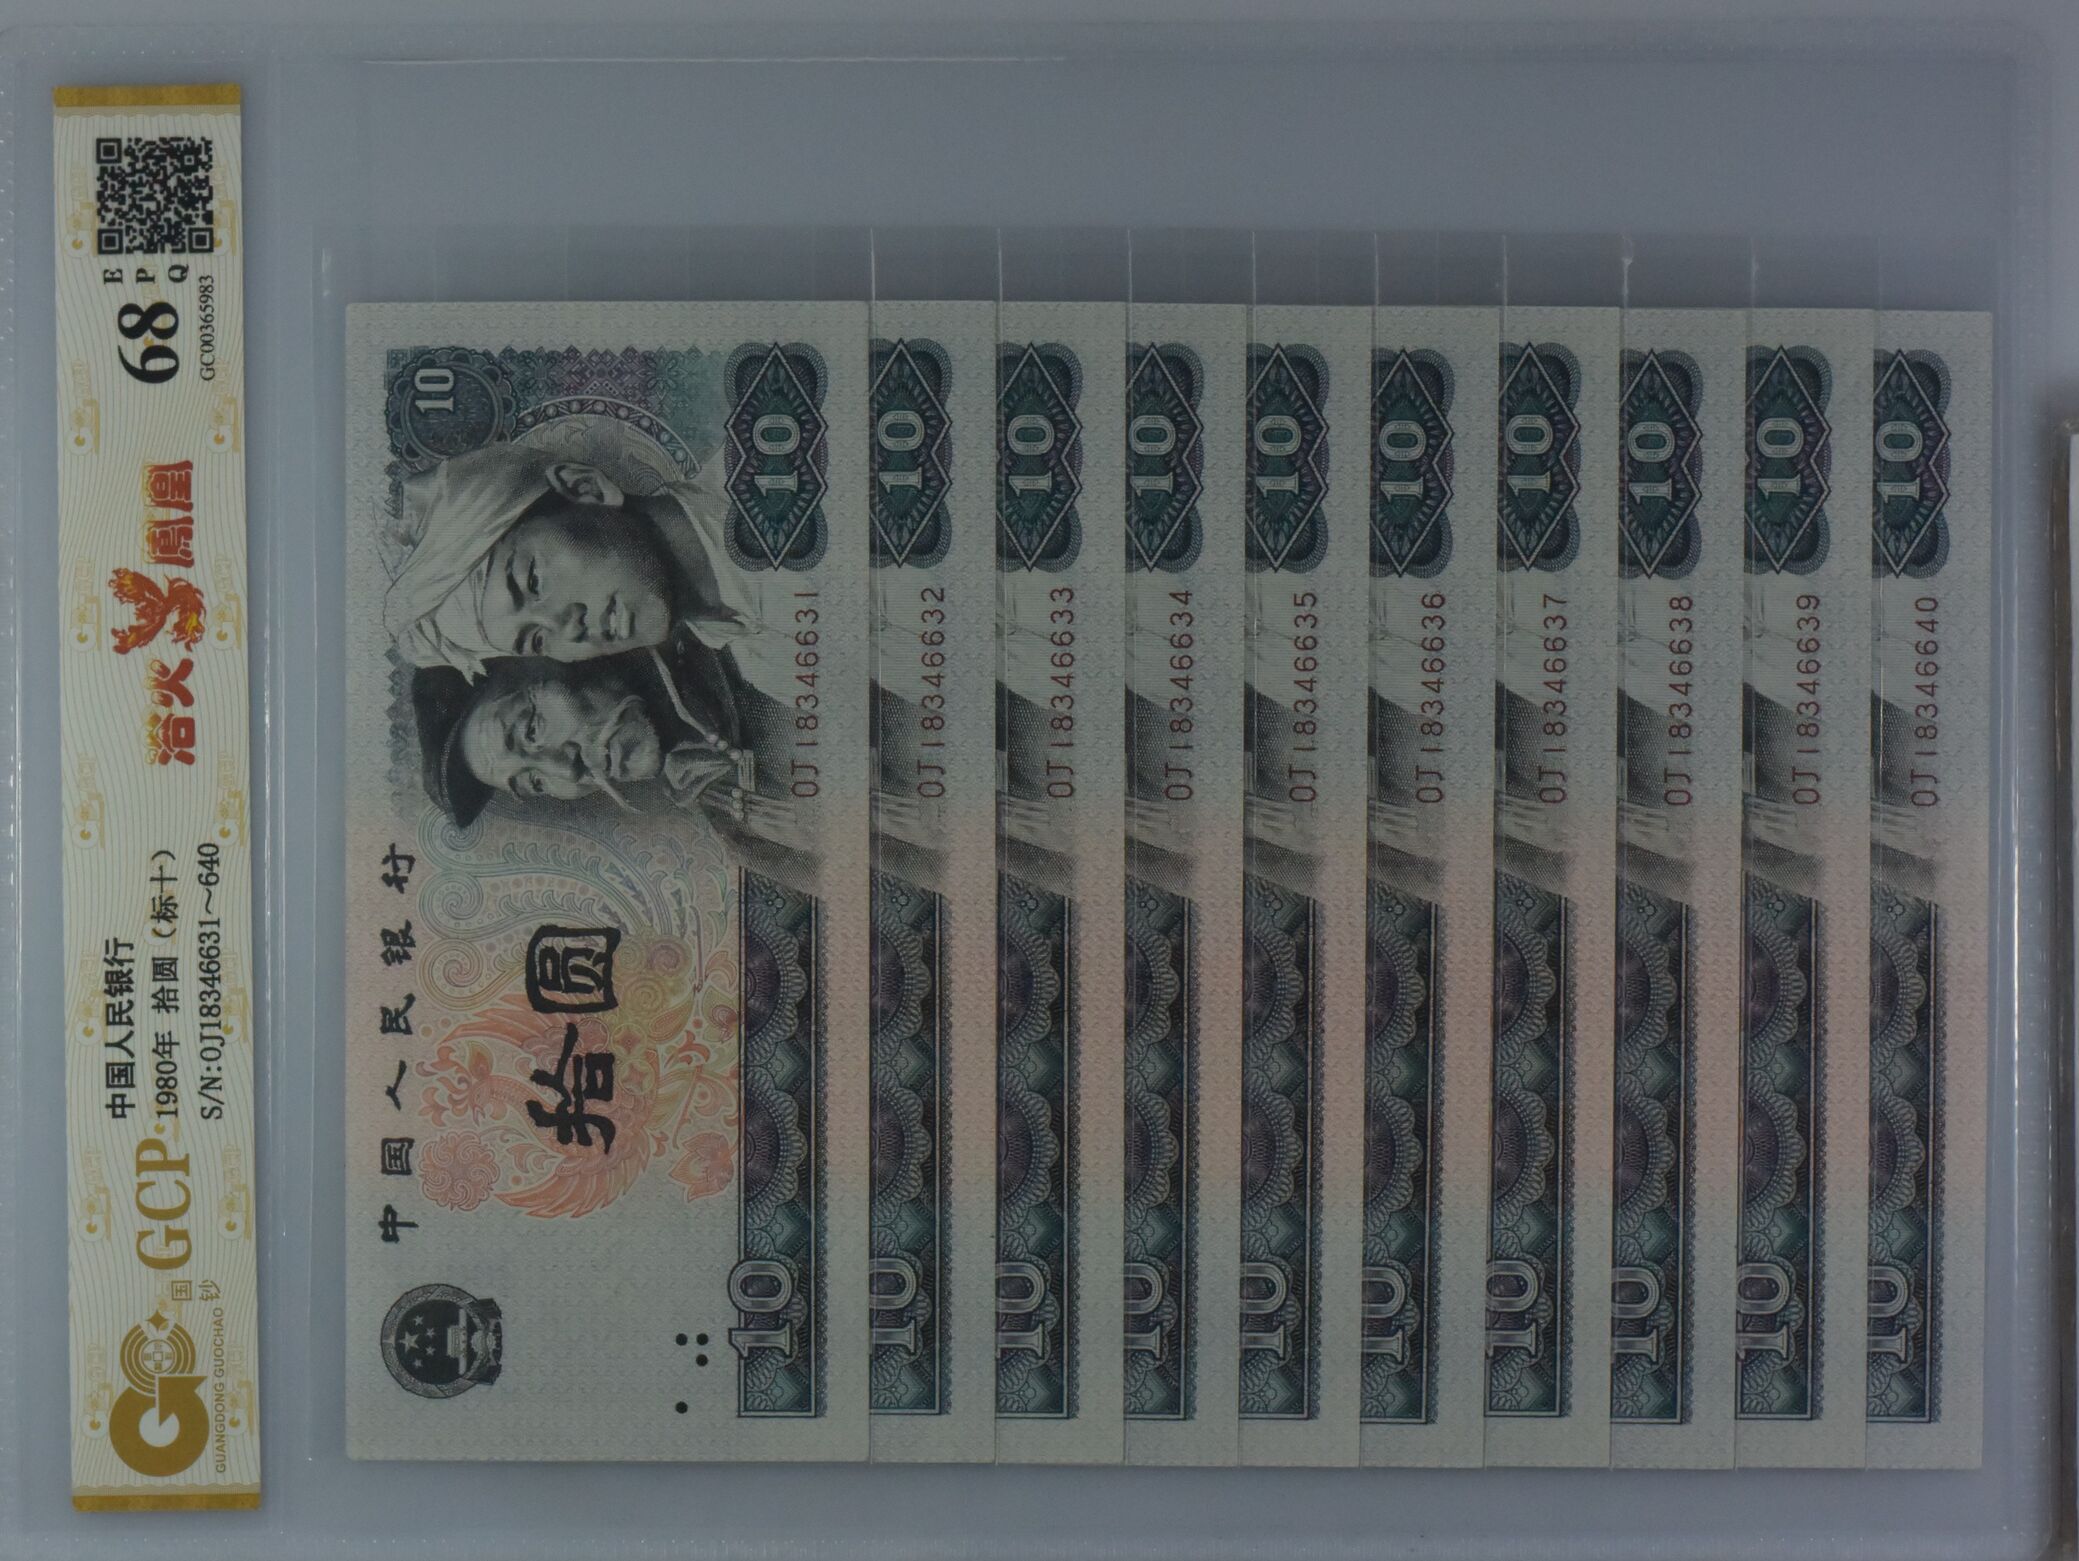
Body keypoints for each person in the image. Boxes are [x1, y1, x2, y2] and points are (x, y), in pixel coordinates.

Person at [411, 627, 815, 888]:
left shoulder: (732, 636)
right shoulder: (736, 829)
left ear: (549, 656)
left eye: (531, 730)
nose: (566, 769)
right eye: (535, 782)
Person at [383, 442, 763, 682]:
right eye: (536, 640)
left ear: (585, 489)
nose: (568, 629)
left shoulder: (768, 476)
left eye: (533, 582)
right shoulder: (761, 667)